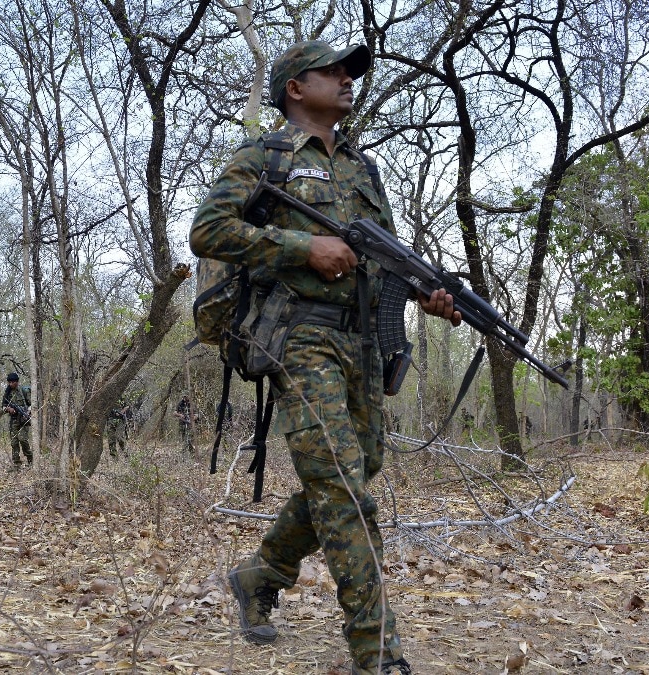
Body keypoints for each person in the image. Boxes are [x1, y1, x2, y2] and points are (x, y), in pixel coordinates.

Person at [190, 41, 462, 675]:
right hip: (299, 337)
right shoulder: (266, 156)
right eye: (333, 71)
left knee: (352, 468)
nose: (346, 79)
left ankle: (262, 575)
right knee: (342, 485)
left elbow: (382, 257)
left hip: (362, 340)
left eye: (350, 72)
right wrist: (300, 245)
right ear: (294, 88)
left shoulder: (364, 171)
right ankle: (377, 650)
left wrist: (429, 294)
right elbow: (208, 229)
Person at [1, 372, 33, 469]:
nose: (11, 384)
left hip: (23, 419)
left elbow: (32, 404)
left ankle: (30, 459)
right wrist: (8, 409)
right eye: (9, 382)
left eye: (13, 382)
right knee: (14, 442)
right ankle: (16, 463)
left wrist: (27, 412)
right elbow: (3, 406)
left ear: (17, 382)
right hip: (13, 420)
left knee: (23, 439)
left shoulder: (24, 391)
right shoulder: (7, 393)